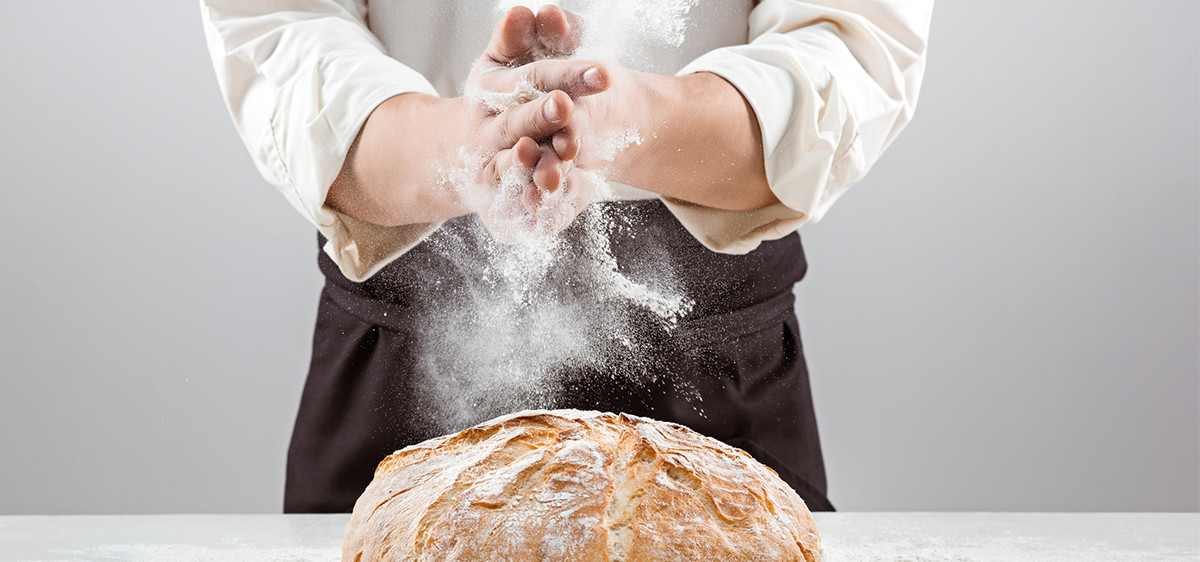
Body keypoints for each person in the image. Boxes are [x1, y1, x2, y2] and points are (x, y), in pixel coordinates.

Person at [200, 0, 933, 513]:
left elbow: (852, 40)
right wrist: (462, 149)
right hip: (402, 342)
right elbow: (281, 23)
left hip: (711, 363)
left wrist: (629, 123)